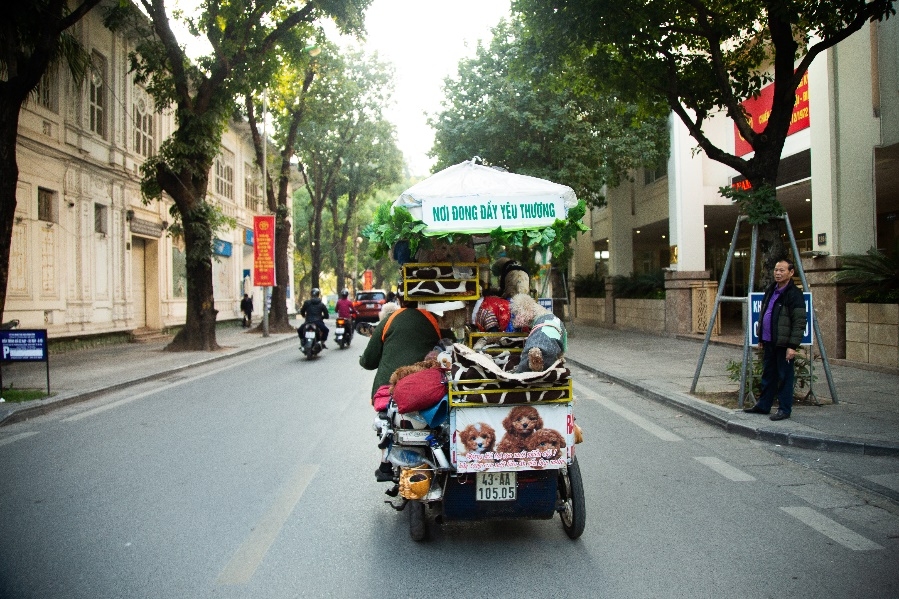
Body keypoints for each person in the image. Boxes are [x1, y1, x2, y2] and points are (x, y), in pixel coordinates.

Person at [360, 295, 442, 481]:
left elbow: (368, 360)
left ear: (400, 299)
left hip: (388, 389)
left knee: (385, 422)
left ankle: (385, 462)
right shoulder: (433, 321)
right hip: (425, 388)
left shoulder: (390, 320)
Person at [744, 259, 807, 421]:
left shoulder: (794, 294)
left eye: (782, 270)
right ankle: (763, 405)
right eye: (776, 270)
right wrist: (760, 337)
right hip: (769, 340)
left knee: (785, 376)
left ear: (791, 273)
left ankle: (784, 409)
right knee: (768, 374)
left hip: (784, 343)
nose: (778, 273)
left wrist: (792, 346)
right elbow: (764, 312)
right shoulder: (771, 289)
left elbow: (799, 322)